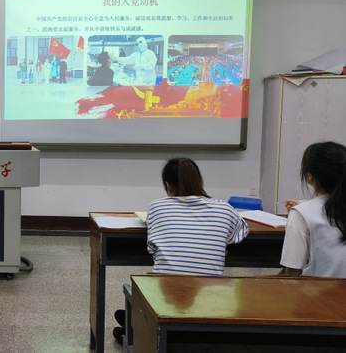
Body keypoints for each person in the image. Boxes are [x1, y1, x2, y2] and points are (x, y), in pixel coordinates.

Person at [113, 158, 249, 343]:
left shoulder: (157, 207)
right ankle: (136, 321)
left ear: (168, 186)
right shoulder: (225, 208)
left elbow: (152, 249)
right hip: (211, 300)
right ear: (200, 181)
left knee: (149, 287)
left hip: (163, 301)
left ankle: (136, 325)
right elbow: (240, 233)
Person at [280, 141, 346, 278]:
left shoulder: (301, 214)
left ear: (310, 176)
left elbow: (293, 272)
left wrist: (304, 209)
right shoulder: (307, 210)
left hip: (320, 290)